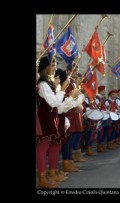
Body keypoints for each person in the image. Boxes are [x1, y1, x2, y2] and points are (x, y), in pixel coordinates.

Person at [36, 56, 69, 188]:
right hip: (45, 119)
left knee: (47, 147)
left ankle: (48, 175)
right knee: (43, 148)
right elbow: (54, 102)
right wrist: (61, 89)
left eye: (55, 65)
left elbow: (55, 103)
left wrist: (58, 88)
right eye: (52, 65)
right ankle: (42, 179)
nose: (55, 67)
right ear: (45, 67)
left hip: (50, 117)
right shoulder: (43, 84)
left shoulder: (47, 83)